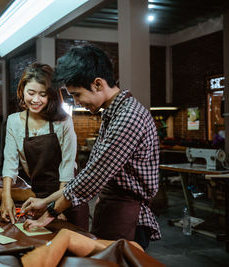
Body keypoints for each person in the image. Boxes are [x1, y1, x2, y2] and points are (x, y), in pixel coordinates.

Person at [22, 45, 161, 250]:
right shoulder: (112, 113)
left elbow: (92, 178)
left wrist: (47, 214)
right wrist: (45, 201)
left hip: (128, 216)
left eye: (77, 95)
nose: (77, 103)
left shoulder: (128, 117)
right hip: (111, 208)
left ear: (97, 84)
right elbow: (89, 172)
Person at [1, 63, 88, 229]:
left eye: (42, 94)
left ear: (51, 95)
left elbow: (68, 165)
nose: (35, 100)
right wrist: (6, 197)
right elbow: (10, 163)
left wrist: (57, 208)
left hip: (68, 198)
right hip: (38, 198)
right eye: (31, 93)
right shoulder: (14, 121)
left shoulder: (63, 121)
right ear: (22, 91)